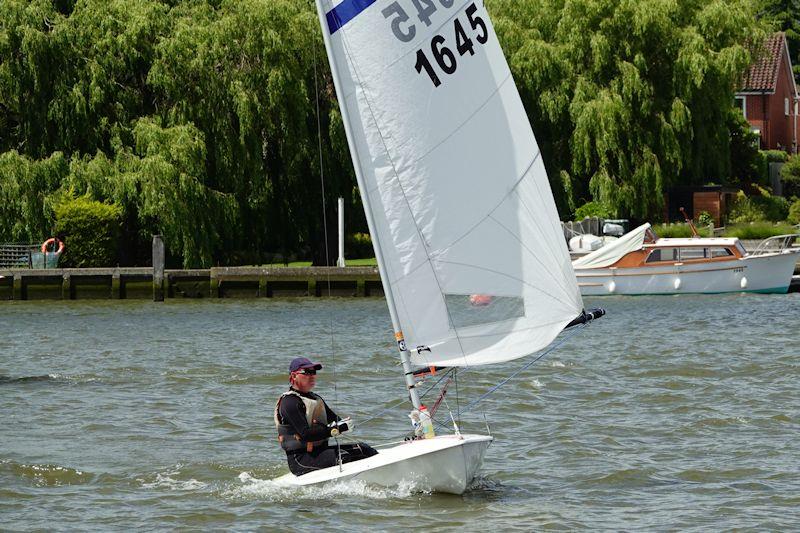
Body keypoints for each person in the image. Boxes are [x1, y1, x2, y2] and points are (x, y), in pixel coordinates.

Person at [274, 357, 378, 475]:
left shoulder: (315, 398)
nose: (312, 376)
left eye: (314, 372)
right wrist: (334, 430)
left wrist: (345, 423)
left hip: (321, 451)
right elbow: (305, 434)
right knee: (343, 456)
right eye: (307, 372)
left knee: (364, 449)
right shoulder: (289, 402)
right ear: (293, 376)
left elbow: (334, 419)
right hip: (301, 459)